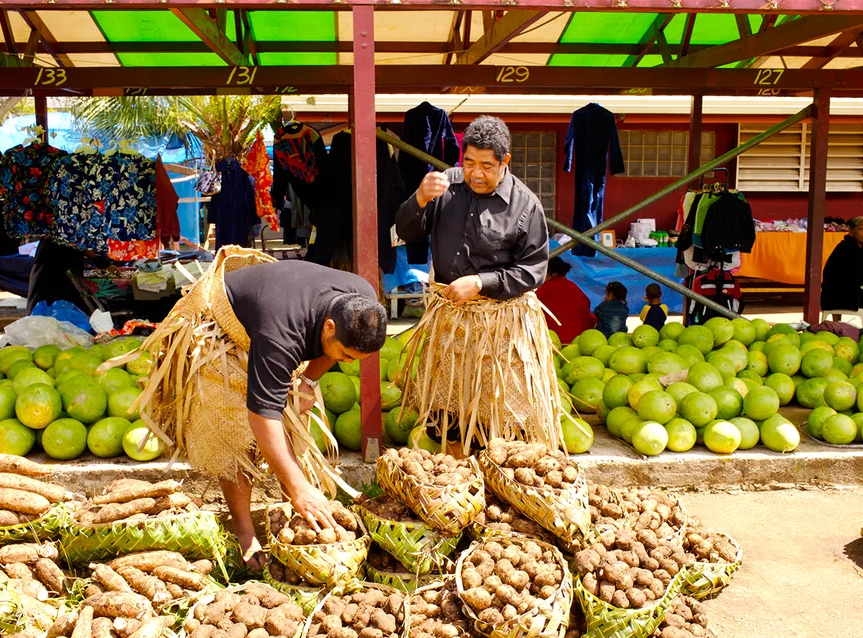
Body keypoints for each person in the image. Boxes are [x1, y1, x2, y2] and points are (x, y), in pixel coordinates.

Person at [117, 247, 387, 565]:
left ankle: (296, 525)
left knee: (295, 429)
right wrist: (299, 486)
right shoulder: (283, 332)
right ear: (329, 327)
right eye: (344, 355)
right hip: (224, 330)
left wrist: (310, 381)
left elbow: (327, 356)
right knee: (235, 438)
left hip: (275, 312)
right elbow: (262, 414)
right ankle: (244, 534)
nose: (344, 362)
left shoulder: (364, 304)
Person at [394, 115, 562, 452]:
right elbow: (407, 232)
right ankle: (457, 486)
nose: (475, 173)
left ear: (505, 161)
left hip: (499, 331)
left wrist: (482, 283)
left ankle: (494, 486)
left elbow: (533, 271)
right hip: (450, 326)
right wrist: (419, 200)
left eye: (486, 165)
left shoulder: (525, 205)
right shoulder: (445, 186)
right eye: (468, 162)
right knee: (445, 419)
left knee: (496, 423)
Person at [536, 257, 596, 345]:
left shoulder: (544, 289)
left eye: (543, 272)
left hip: (552, 341)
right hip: (579, 340)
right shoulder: (574, 287)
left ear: (554, 273)